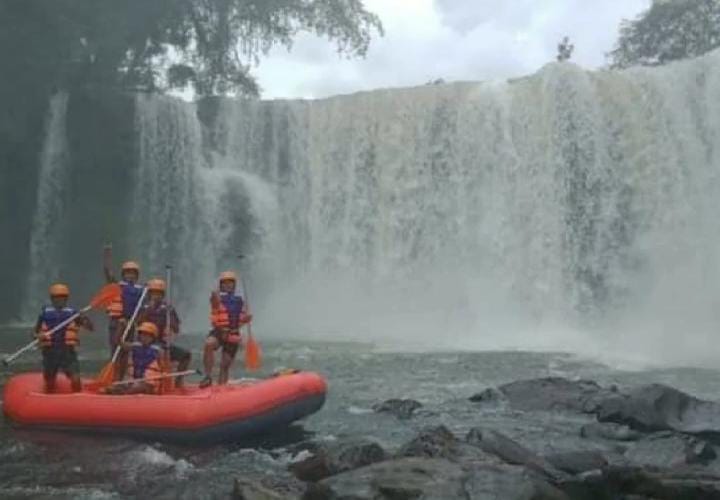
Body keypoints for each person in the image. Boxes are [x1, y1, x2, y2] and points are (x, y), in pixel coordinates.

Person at [34, 283, 93, 393]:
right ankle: (49, 401)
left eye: (62, 297)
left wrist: (84, 317)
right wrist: (38, 336)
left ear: (66, 299)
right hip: (50, 351)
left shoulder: (73, 313)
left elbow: (90, 328)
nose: (59, 300)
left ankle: (78, 401)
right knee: (50, 381)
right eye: (56, 298)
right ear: (52, 299)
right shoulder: (45, 314)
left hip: (67, 351)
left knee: (76, 379)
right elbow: (34, 333)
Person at [200, 271, 252, 387]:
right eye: (225, 283)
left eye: (230, 283)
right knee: (209, 344)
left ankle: (220, 388)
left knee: (225, 365)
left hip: (233, 334)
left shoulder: (240, 300)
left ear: (234, 285)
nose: (228, 285)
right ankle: (207, 376)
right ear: (221, 285)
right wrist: (214, 294)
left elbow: (240, 321)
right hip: (219, 332)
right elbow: (214, 301)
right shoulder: (217, 298)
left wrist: (246, 319)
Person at [137, 278, 191, 387]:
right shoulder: (142, 307)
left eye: (159, 293)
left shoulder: (168, 309)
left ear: (162, 295)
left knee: (186, 355)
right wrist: (148, 311)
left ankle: (178, 382)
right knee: (160, 352)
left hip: (161, 342)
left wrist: (170, 325)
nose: (156, 296)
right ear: (149, 294)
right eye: (153, 293)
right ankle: (148, 380)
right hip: (146, 343)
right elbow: (137, 323)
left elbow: (176, 328)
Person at [103, 244, 144, 379]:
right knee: (116, 349)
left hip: (130, 323)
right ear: (123, 275)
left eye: (133, 273)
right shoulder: (118, 286)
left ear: (137, 276)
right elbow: (108, 274)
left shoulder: (142, 290)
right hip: (117, 322)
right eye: (127, 273)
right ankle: (114, 378)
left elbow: (144, 307)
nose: (130, 276)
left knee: (126, 352)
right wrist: (107, 257)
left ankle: (120, 379)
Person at [105, 322, 163, 395]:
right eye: (142, 335)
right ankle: (120, 393)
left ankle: (124, 394)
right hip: (134, 381)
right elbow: (119, 342)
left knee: (138, 388)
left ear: (152, 337)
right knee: (113, 388)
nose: (144, 337)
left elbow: (163, 368)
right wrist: (121, 328)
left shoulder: (158, 351)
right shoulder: (135, 346)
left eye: (146, 335)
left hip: (149, 383)